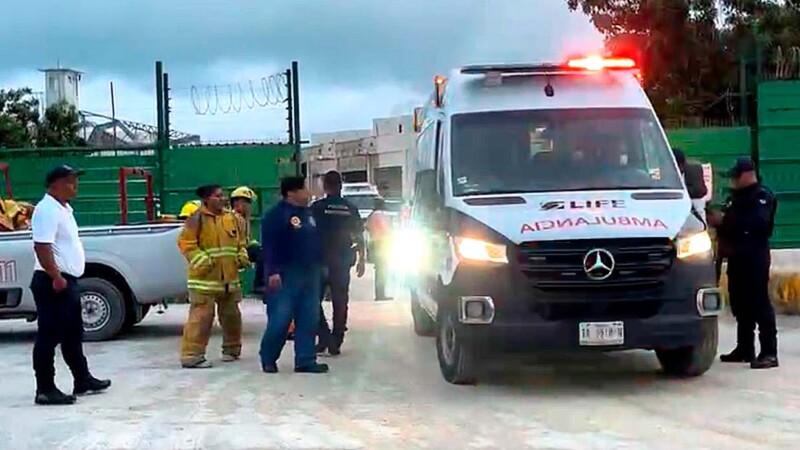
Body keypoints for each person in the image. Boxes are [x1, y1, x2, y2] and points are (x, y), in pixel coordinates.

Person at [30, 165, 111, 405]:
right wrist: (55, 276)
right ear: (55, 184)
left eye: (75, 180)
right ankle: (45, 388)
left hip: (66, 280)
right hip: (52, 281)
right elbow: (42, 247)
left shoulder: (64, 209)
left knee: (73, 333)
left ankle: (82, 379)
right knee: (49, 335)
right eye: (70, 181)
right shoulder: (46, 210)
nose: (75, 186)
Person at [708, 157, 779, 370]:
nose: (733, 181)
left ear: (747, 175)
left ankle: (769, 352)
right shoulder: (736, 198)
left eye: (735, 177)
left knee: (759, 303)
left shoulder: (761, 197)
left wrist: (727, 221)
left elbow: (759, 224)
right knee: (740, 304)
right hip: (737, 257)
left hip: (754, 257)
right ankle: (745, 348)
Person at [259, 176, 328, 374]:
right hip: (286, 273)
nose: (308, 193)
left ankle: (305, 360)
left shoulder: (308, 214)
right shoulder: (276, 215)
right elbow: (269, 246)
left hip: (311, 272)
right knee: (280, 319)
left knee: (309, 318)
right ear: (291, 193)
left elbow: (316, 242)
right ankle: (268, 357)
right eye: (303, 189)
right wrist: (272, 271)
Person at [177, 184, 250, 368]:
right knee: (201, 319)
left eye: (222, 195)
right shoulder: (196, 219)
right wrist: (202, 261)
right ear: (206, 199)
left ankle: (232, 349)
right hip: (204, 281)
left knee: (232, 316)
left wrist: (242, 256)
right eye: (217, 196)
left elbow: (242, 242)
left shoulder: (233, 219)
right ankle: (192, 356)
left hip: (229, 280)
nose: (222, 198)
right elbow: (186, 243)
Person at [311, 171, 366, 356]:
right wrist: (362, 260)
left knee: (313, 301)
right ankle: (336, 340)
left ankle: (324, 337)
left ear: (325, 186)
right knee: (340, 303)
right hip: (342, 261)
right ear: (340, 186)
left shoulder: (317, 208)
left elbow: (307, 233)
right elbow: (359, 236)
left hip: (320, 261)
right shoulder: (351, 208)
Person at [365, 197, 393, 301]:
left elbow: (367, 228)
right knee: (382, 270)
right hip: (383, 244)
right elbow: (388, 230)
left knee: (379, 269)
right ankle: (381, 294)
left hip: (374, 244)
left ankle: (379, 293)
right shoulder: (384, 215)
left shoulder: (371, 216)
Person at [673, 148, 708, 221]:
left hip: (694, 202)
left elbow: (699, 191)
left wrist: (679, 192)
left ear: (682, 164)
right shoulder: (666, 169)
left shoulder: (694, 168)